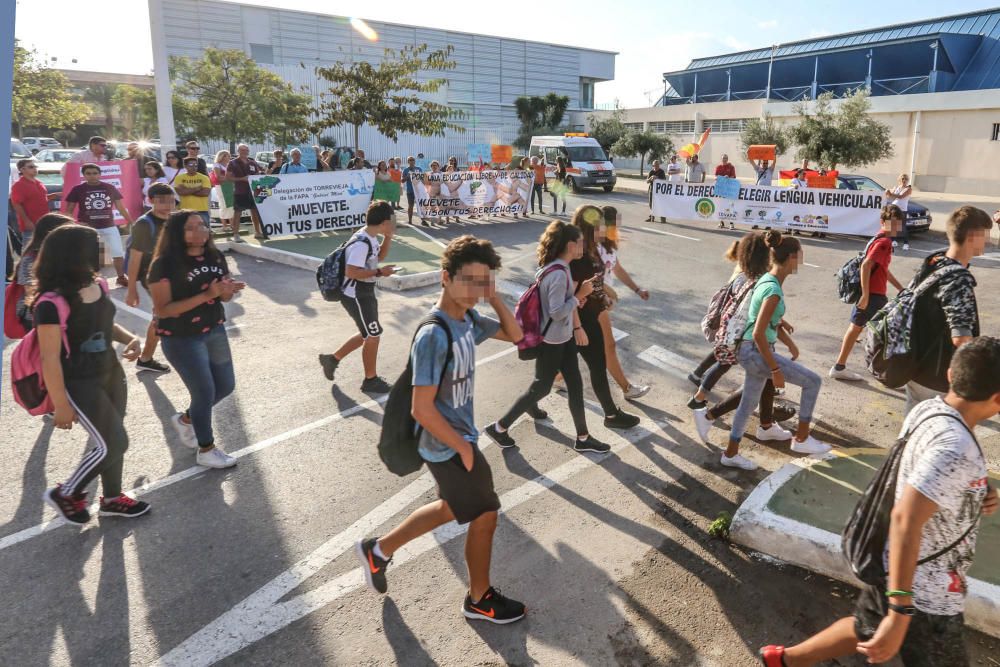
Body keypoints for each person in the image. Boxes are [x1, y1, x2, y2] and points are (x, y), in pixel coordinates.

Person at [760, 337, 1000, 667]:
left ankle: (783, 660)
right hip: (926, 596)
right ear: (997, 399)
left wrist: (978, 490)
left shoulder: (931, 409)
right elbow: (906, 518)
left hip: (896, 568)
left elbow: (928, 468)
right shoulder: (956, 448)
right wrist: (901, 609)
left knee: (864, 628)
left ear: (950, 374)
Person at [356, 235, 526, 624]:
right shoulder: (435, 334)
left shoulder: (468, 319)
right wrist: (463, 450)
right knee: (486, 514)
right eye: (468, 280)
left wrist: (494, 297)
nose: (475, 290)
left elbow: (516, 336)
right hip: (447, 444)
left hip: (457, 439)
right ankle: (479, 599)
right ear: (445, 278)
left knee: (453, 507)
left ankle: (377, 551)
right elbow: (421, 408)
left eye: (483, 282)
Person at [38, 225, 151, 523]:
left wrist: (130, 339)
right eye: (96, 246)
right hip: (79, 380)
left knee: (113, 437)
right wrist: (60, 404)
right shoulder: (50, 303)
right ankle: (67, 492)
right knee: (115, 442)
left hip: (110, 371)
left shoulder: (98, 284)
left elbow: (105, 324)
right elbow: (49, 358)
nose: (103, 252)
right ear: (74, 254)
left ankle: (113, 498)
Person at [486, 220, 610, 454]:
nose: (584, 244)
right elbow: (555, 311)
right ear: (570, 245)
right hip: (552, 341)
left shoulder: (556, 268)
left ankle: (583, 438)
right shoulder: (559, 274)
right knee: (541, 388)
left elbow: (558, 306)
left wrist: (575, 300)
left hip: (561, 338)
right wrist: (579, 295)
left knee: (575, 385)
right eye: (580, 241)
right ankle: (499, 427)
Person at [722, 231, 829, 470]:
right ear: (791, 257)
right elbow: (759, 333)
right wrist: (775, 368)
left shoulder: (768, 280)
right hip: (755, 350)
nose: (800, 260)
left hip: (750, 350)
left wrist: (789, 344)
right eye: (799, 255)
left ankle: (730, 454)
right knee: (813, 382)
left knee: (747, 403)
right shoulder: (773, 290)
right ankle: (801, 439)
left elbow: (767, 323)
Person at [148, 209, 245, 469]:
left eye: (202, 225)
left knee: (225, 386)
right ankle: (206, 449)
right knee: (204, 392)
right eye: (191, 227)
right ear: (177, 232)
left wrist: (226, 291)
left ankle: (187, 420)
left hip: (214, 330)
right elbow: (163, 309)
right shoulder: (164, 265)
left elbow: (223, 297)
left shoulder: (215, 255)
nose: (200, 231)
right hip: (181, 338)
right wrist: (208, 294)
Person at [689, 233, 797, 443]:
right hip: (748, 341)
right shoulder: (761, 282)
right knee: (753, 385)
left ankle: (766, 425)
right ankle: (708, 414)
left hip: (736, 337)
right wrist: (790, 345)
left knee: (762, 382)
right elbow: (761, 321)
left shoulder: (743, 276)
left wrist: (781, 321)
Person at [901, 206, 992, 415]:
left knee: (915, 428)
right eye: (985, 234)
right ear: (972, 236)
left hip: (914, 365)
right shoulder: (958, 278)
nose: (987, 240)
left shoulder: (934, 261)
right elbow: (961, 339)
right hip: (938, 376)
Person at [317, 201, 398, 394]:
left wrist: (388, 237)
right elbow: (352, 272)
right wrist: (379, 273)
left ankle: (332, 359)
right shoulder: (362, 243)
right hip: (356, 295)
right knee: (373, 335)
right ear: (385, 221)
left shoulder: (370, 236)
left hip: (364, 292)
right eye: (392, 221)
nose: (394, 224)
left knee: (367, 333)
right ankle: (370, 380)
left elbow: (380, 257)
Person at [830, 205, 905, 381]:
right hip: (873, 296)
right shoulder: (884, 242)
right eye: (892, 223)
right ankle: (885, 374)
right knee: (883, 332)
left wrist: (900, 288)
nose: (895, 227)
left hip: (875, 295)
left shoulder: (878, 238)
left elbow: (882, 269)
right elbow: (866, 266)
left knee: (864, 330)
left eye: (898, 224)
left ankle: (841, 366)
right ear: (883, 222)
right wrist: (865, 295)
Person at [598, 206, 650, 400]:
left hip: (600, 302)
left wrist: (637, 289)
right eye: (615, 226)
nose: (618, 229)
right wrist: (608, 294)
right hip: (595, 303)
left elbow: (617, 269)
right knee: (608, 346)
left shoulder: (608, 245)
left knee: (580, 346)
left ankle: (554, 378)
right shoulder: (594, 246)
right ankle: (627, 389)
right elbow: (591, 276)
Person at [124, 183, 176, 375]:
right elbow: (135, 257)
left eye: (171, 200)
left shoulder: (174, 220)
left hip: (172, 276)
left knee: (163, 316)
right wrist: (131, 289)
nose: (168, 205)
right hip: (153, 278)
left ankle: (146, 358)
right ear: (150, 200)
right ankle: (146, 358)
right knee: (163, 316)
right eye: (162, 201)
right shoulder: (145, 224)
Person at [64, 163, 134, 288]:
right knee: (88, 255)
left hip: (109, 226)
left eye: (95, 173)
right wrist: (74, 223)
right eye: (88, 173)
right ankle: (89, 279)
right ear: (84, 175)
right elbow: (69, 210)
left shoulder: (110, 187)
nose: (92, 176)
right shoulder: (78, 189)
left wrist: (130, 220)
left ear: (100, 174)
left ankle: (121, 277)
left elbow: (120, 206)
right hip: (88, 228)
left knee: (117, 253)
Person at [13, 213, 72, 331]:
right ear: (51, 235)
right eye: (67, 233)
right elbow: (31, 292)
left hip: (62, 311)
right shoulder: (31, 259)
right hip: (39, 317)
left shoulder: (62, 254)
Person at [11, 158, 58, 247]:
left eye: (35, 166)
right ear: (22, 169)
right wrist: (27, 221)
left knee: (43, 250)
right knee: (29, 252)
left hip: (44, 222)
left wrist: (54, 195)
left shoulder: (39, 183)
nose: (35, 169)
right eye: (31, 167)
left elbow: (39, 199)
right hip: (31, 224)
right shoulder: (19, 185)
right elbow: (16, 204)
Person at [227, 144, 266, 241]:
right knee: (238, 213)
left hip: (253, 191)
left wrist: (262, 173)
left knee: (255, 212)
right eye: (242, 150)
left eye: (246, 150)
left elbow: (261, 173)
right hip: (240, 191)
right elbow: (228, 177)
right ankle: (236, 234)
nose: (245, 152)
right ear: (238, 151)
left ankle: (257, 232)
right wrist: (242, 179)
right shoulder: (233, 163)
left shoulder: (253, 162)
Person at [173, 157, 213, 224]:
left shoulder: (204, 178)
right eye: (191, 165)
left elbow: (205, 193)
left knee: (205, 232)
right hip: (185, 211)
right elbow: (181, 192)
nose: (194, 167)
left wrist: (187, 190)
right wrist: (197, 188)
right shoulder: (179, 178)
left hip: (202, 210)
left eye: (196, 165)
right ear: (185, 166)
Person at [886, 173, 913, 251]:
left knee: (902, 227)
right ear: (899, 180)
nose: (904, 180)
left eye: (906, 179)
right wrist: (888, 192)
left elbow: (901, 197)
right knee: (891, 225)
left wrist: (891, 193)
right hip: (894, 207)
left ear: (908, 180)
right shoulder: (897, 187)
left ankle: (906, 243)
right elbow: (890, 195)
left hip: (902, 209)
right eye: (902, 179)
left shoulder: (908, 189)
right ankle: (893, 240)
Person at [211, 150, 235, 233]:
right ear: (221, 156)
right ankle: (224, 226)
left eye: (229, 155)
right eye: (226, 155)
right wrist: (230, 178)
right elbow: (218, 177)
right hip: (221, 186)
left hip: (230, 186)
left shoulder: (230, 165)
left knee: (231, 204)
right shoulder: (217, 165)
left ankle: (232, 225)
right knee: (223, 204)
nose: (228, 157)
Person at [401, 155, 423, 225]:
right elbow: (402, 181)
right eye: (410, 160)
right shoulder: (405, 170)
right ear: (408, 161)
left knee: (421, 206)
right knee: (410, 205)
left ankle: (423, 220)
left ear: (414, 161)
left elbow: (422, 179)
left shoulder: (419, 169)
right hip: (410, 191)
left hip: (418, 190)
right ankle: (410, 220)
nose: (411, 161)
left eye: (412, 160)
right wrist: (407, 177)